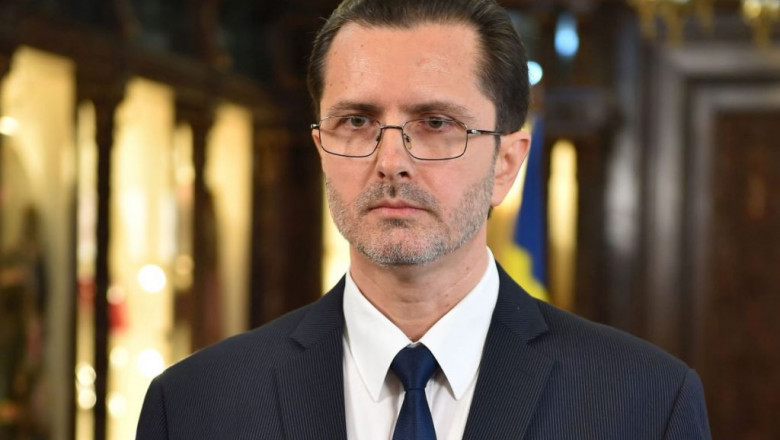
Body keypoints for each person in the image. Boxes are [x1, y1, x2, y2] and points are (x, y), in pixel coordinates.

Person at [136, 0, 711, 438]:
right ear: (321, 150)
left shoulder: (644, 404)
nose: (391, 160)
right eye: (356, 122)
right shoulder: (195, 406)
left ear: (507, 163)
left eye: (436, 124)